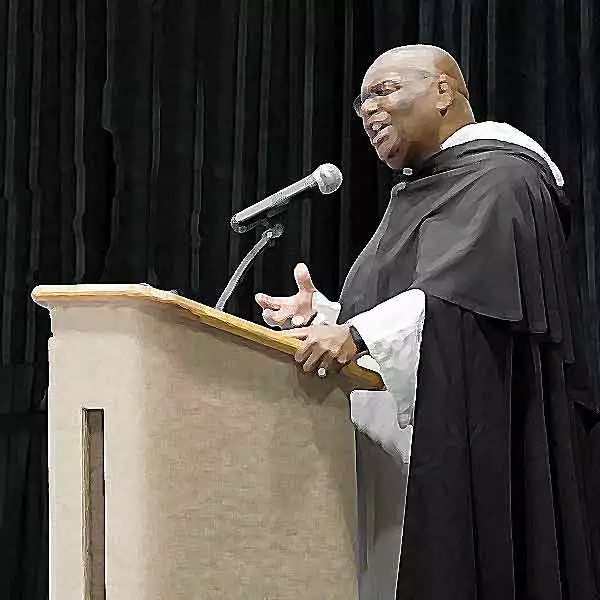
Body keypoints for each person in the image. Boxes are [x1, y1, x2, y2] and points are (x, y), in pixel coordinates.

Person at [256, 45, 599, 599]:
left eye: (384, 91)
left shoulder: (504, 178)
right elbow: (419, 303)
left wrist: (356, 334)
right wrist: (328, 315)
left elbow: (463, 301)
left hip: (471, 445)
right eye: (361, 102)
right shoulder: (425, 189)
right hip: (394, 453)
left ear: (443, 91)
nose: (368, 111)